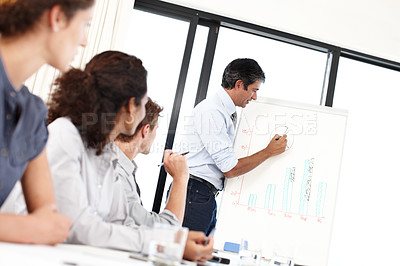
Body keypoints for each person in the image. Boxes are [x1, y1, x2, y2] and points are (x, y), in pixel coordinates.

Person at [46, 51, 213, 262]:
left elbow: (122, 223)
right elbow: (80, 228)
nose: (145, 113)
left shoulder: (105, 153)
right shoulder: (65, 135)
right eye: (143, 104)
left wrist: (172, 240)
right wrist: (167, 243)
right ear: (130, 107)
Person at [0, 0, 94, 244]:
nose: (84, 41)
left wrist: (34, 226)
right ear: (59, 17)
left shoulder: (32, 112)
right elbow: (38, 226)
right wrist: (27, 228)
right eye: (85, 25)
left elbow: (51, 223)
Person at [178, 58, 288, 235]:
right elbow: (229, 168)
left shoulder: (223, 111)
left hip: (202, 195)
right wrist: (268, 152)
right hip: (194, 193)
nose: (255, 97)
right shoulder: (213, 111)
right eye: (253, 90)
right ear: (239, 84)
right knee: (185, 257)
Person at [115, 97, 187, 227]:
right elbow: (163, 231)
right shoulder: (116, 173)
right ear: (146, 130)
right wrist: (180, 178)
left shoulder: (123, 168)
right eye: (156, 129)